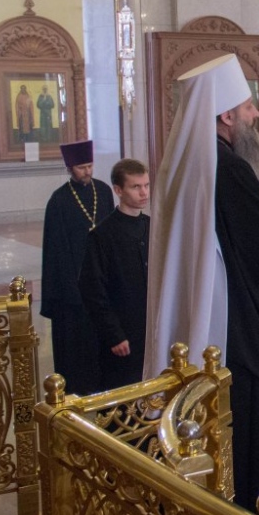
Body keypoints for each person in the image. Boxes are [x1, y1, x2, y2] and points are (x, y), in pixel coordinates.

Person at [144, 54, 259, 515]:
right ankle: (252, 511)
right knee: (245, 425)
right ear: (227, 116)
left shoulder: (185, 163)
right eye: (248, 107)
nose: (257, 114)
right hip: (237, 332)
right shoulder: (229, 168)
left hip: (197, 316)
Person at [41, 139, 114, 395]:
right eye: (82, 167)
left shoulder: (103, 191)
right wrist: (71, 286)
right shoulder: (59, 201)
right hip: (72, 282)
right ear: (70, 168)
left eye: (90, 166)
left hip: (101, 275)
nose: (87, 171)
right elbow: (56, 250)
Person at [79, 159, 151, 390]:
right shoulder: (102, 235)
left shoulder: (152, 227)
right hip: (123, 334)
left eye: (146, 185)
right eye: (136, 187)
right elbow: (93, 290)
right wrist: (114, 334)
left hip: (151, 330)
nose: (144, 193)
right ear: (118, 190)